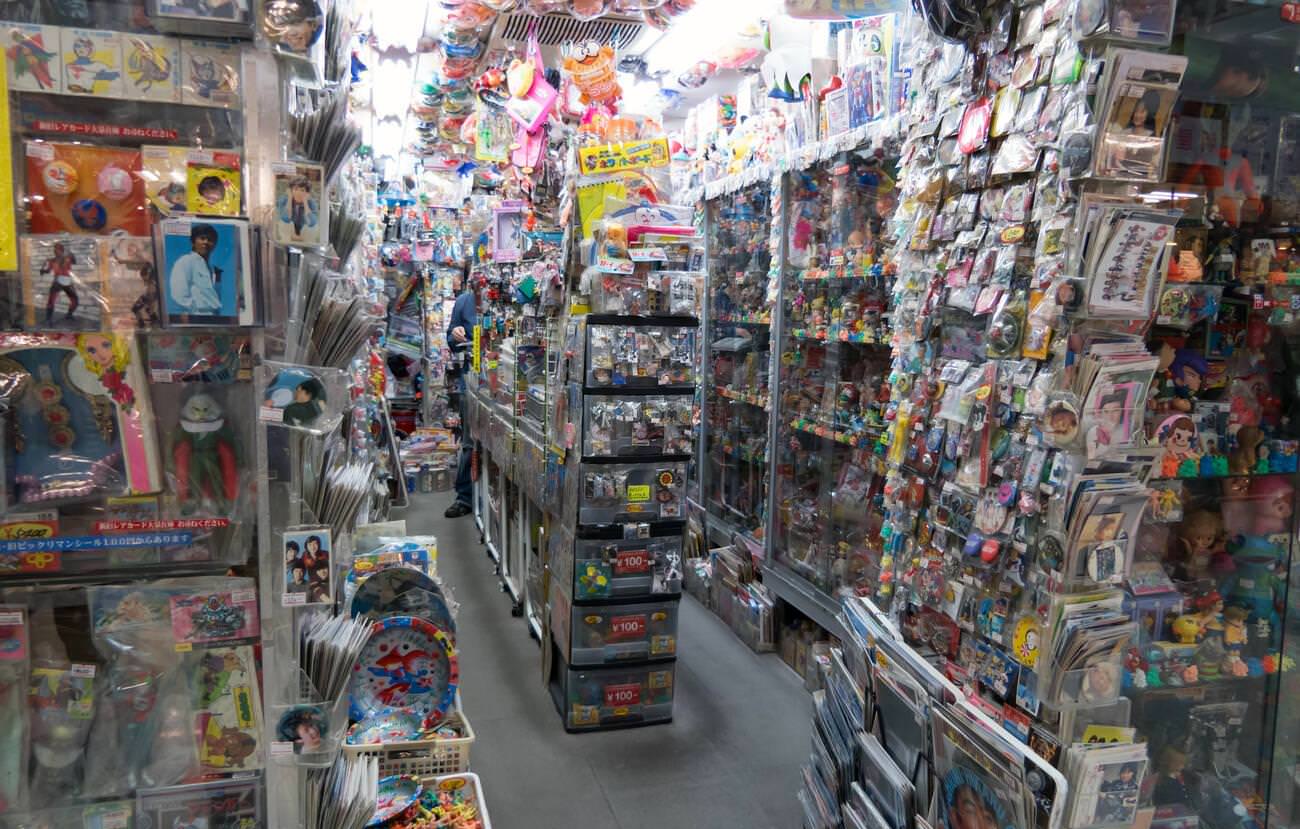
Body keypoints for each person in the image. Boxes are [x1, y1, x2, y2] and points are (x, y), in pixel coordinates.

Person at [444, 268, 478, 518]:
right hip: (473, 380)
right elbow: (451, 338)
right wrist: (455, 335)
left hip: (505, 379)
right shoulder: (465, 301)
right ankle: (465, 497)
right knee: (469, 440)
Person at [169, 223, 223, 319]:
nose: (206, 242)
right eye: (202, 238)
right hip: (195, 317)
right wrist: (195, 312)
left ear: (214, 245)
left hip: (214, 319)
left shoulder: (213, 269)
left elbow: (215, 298)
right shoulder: (186, 261)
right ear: (193, 242)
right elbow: (178, 294)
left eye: (210, 240)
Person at [41, 241, 79, 323]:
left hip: (67, 281)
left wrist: (71, 254)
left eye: (57, 249)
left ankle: (69, 315)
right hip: (57, 281)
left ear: (62, 250)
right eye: (55, 249)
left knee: (75, 300)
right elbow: (48, 271)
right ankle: (48, 319)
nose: (55, 251)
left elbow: (75, 261)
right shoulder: (52, 260)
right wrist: (43, 270)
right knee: (51, 301)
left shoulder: (68, 257)